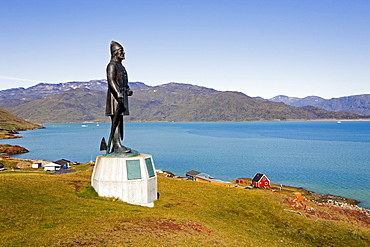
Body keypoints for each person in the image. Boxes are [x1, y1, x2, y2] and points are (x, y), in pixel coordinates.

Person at [105, 41, 133, 153]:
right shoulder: (111, 66)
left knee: (120, 120)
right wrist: (117, 94)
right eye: (121, 51)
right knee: (115, 121)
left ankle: (116, 144)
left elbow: (124, 82)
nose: (123, 53)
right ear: (115, 53)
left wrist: (128, 89)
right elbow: (111, 81)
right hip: (114, 97)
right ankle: (116, 145)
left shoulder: (121, 67)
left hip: (122, 95)